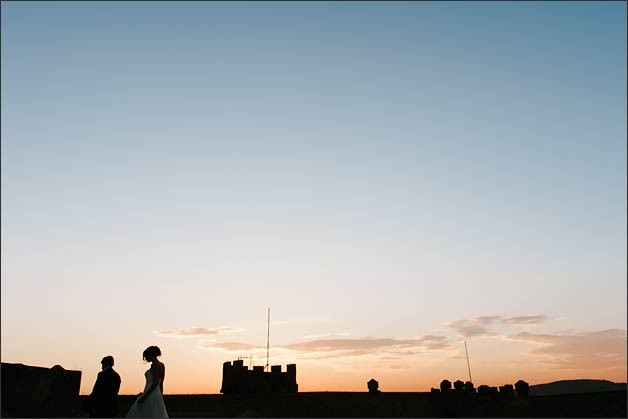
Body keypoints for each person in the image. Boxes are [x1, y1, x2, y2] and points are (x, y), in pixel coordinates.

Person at [126, 346, 168, 418]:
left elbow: (155, 383)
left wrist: (144, 396)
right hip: (156, 394)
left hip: (150, 394)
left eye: (146, 356)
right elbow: (161, 383)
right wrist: (161, 395)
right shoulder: (162, 365)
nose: (145, 358)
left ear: (150, 355)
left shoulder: (154, 365)